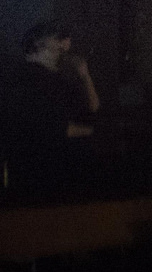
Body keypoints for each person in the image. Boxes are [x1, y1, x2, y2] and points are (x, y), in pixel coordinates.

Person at [2, 21, 97, 201]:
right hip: (41, 175)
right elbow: (49, 127)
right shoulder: (25, 79)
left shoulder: (60, 79)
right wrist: (94, 131)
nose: (64, 43)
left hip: (61, 174)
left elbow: (91, 109)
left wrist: (85, 76)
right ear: (38, 44)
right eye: (57, 38)